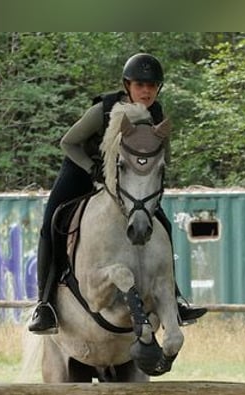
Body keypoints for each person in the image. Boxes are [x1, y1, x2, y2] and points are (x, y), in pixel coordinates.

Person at [28, 52, 207, 334]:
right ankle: (45, 304)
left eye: (152, 86)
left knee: (164, 224)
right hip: (82, 170)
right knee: (51, 223)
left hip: (127, 182)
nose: (146, 91)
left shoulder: (156, 114)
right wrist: (92, 168)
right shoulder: (103, 110)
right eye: (139, 85)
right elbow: (68, 143)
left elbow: (164, 156)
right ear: (127, 85)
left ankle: (174, 297)